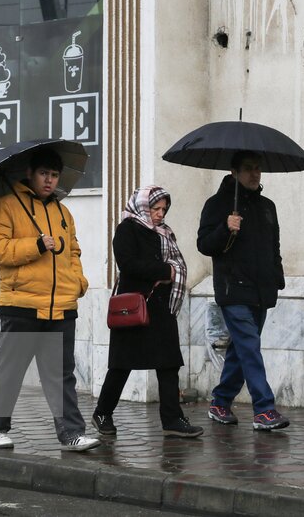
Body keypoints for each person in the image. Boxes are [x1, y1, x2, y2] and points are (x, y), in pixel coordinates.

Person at [0, 146, 100, 452]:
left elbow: (73, 252)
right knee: (10, 370)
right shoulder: (6, 206)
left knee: (61, 376)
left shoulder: (63, 212)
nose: (49, 180)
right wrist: (35, 244)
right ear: (30, 174)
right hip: (21, 305)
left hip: (61, 307)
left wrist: (78, 284)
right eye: (44, 173)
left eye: (54, 175)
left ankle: (71, 433)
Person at [92, 186, 203, 438]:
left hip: (162, 306)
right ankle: (102, 412)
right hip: (134, 307)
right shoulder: (127, 228)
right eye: (155, 208)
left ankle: (172, 419)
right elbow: (128, 264)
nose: (160, 214)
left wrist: (171, 272)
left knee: (169, 363)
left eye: (163, 209)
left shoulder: (165, 232)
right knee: (122, 364)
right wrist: (165, 271)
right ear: (143, 206)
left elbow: (175, 261)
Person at [197, 150, 290, 431]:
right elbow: (204, 244)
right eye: (248, 169)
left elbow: (273, 247)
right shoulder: (217, 204)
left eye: (258, 169)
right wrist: (226, 227)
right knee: (250, 348)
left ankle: (220, 402)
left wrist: (277, 277)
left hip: (261, 290)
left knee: (240, 350)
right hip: (233, 289)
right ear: (234, 172)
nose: (255, 174)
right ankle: (264, 409)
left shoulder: (267, 207)